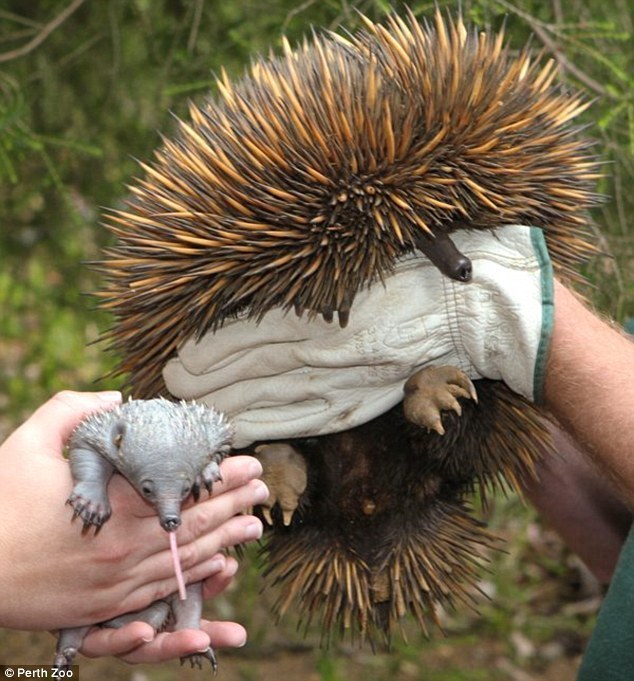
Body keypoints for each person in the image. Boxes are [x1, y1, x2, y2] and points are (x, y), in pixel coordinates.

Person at [161, 224, 634, 678]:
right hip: (409, 435)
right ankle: (384, 421)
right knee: (459, 438)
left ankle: (286, 462)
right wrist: (518, 346)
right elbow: (614, 553)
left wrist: (535, 328)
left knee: (443, 445)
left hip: (318, 413)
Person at [0, 389, 268, 664]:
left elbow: (221, 439)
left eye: (183, 488)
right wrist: (90, 485)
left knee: (190, 571)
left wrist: (210, 464)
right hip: (108, 582)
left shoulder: (203, 438)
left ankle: (185, 624)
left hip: (158, 574)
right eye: (149, 490)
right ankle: (73, 638)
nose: (169, 512)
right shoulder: (109, 437)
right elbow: (86, 442)